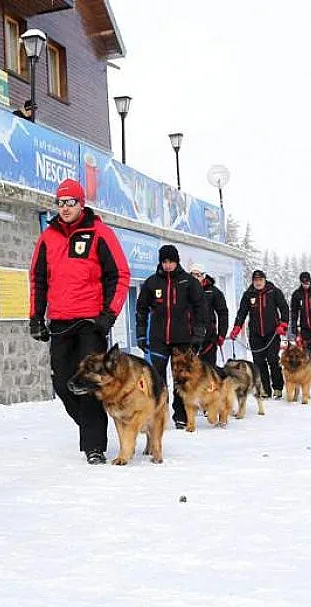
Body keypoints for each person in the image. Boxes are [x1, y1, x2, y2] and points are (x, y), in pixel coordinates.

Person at [28, 178, 130, 464]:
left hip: (90, 323)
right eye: (60, 203)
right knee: (62, 383)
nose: (64, 208)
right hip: (60, 322)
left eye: (70, 202)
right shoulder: (48, 237)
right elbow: (37, 278)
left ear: (81, 203)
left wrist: (108, 314)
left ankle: (94, 446)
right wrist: (36, 316)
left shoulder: (100, 232)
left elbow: (120, 275)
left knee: (89, 384)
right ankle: (90, 429)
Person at [135, 247, 209, 429]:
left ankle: (181, 415)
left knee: (181, 380)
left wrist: (199, 334)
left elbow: (201, 310)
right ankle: (159, 414)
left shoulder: (189, 282)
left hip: (183, 339)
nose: (167, 265)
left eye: (171, 262)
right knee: (157, 379)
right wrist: (141, 334)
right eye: (164, 262)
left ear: (177, 262)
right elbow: (141, 309)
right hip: (158, 338)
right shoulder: (151, 283)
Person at [230, 270, 289, 399]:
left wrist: (283, 324)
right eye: (256, 280)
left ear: (264, 280)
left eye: (260, 280)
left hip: (272, 332)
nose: (258, 282)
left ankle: (278, 388)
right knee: (258, 362)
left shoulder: (274, 292)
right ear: (253, 281)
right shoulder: (248, 295)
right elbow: (242, 313)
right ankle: (265, 390)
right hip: (256, 334)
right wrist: (236, 328)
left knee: (273, 360)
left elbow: (284, 308)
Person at [189, 263, 228, 369]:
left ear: (203, 276)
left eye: (198, 275)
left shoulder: (214, 292)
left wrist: (222, 334)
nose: (195, 278)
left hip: (209, 339)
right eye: (193, 275)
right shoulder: (185, 291)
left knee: (209, 371)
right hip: (190, 338)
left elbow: (223, 313)